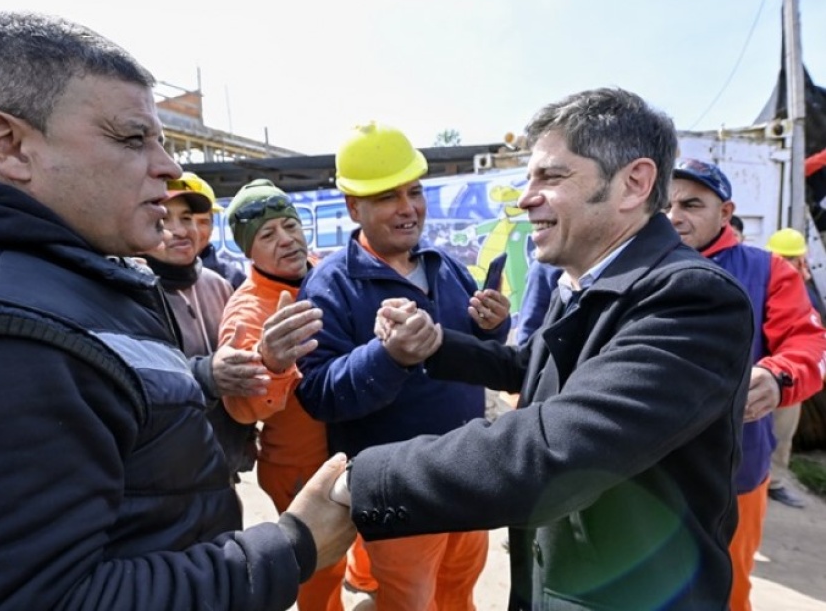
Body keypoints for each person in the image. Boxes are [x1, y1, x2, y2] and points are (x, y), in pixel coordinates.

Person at [0, 11, 354, 610]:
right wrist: (291, 546)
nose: (170, 167)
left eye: (163, 139)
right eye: (132, 138)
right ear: (9, 144)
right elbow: (39, 598)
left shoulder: (74, 284)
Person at [329, 88, 756, 611]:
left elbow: (555, 449)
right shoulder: (580, 280)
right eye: (529, 179)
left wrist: (365, 480)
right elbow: (532, 367)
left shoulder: (692, 299)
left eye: (550, 178)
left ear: (634, 184)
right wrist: (436, 347)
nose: (526, 198)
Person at [297, 121, 511, 611]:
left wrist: (490, 328)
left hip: (466, 471)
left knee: (459, 590)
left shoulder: (445, 264)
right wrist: (387, 357)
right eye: (387, 197)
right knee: (409, 602)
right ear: (354, 207)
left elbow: (475, 352)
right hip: (399, 490)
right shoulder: (330, 285)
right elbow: (318, 393)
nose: (408, 207)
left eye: (414, 191)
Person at [666, 159, 826, 611]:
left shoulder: (769, 270)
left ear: (725, 211)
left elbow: (809, 342)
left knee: (727, 589)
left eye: (692, 204)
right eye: (666, 204)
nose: (675, 216)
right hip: (643, 469)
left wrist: (779, 376)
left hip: (734, 470)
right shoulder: (632, 267)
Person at [217, 179, 347, 611]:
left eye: (290, 225)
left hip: (346, 447)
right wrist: (271, 362)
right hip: (299, 466)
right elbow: (240, 409)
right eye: (268, 235)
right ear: (247, 251)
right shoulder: (249, 311)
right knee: (321, 571)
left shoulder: (325, 272)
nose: (287, 239)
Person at [142, 181, 257, 522]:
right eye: (164, 220)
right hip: (165, 480)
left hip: (223, 469)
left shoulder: (217, 285)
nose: (180, 231)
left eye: (188, 217)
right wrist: (207, 375)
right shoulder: (131, 291)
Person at [763, 227, 824, 509]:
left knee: (782, 433)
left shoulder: (801, 285)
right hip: (763, 373)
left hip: (787, 375)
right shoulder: (767, 279)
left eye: (794, 259)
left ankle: (773, 482)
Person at [171, 171, 249, 289]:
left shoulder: (233, 279)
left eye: (202, 222)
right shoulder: (142, 281)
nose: (193, 230)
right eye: (186, 219)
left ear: (212, 226)